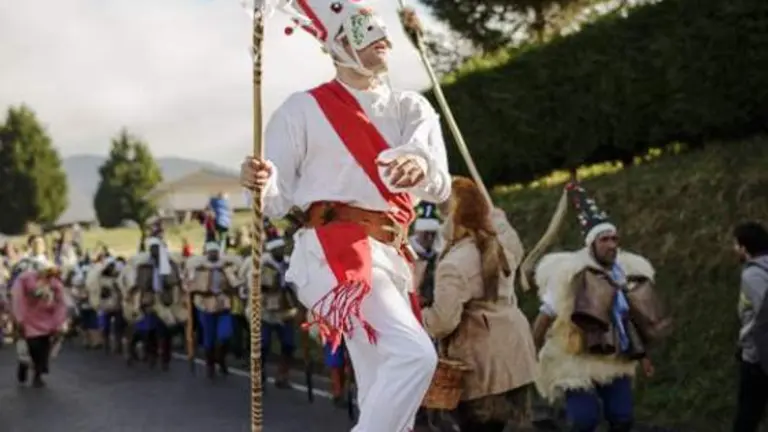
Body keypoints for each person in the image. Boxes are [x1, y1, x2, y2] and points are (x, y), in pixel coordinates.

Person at [239, 0, 451, 428]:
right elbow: (275, 199)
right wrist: (259, 181)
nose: (383, 39)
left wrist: (421, 165)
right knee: (414, 355)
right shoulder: (301, 109)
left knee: (381, 385)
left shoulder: (411, 107)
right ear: (336, 45)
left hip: (393, 255)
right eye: (364, 32)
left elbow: (440, 183)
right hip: (334, 252)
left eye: (381, 30)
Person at [531, 181, 668, 432]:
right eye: (605, 239)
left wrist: (644, 356)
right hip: (576, 357)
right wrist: (531, 352)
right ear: (592, 243)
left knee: (622, 418)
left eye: (615, 239)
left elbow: (632, 318)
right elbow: (546, 314)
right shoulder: (569, 274)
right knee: (584, 420)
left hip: (614, 357)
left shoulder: (625, 273)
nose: (612, 245)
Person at [422, 176, 537, 431]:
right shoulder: (503, 244)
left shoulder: (454, 264)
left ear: (452, 218)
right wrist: (495, 216)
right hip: (517, 355)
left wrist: (418, 316)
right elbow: (508, 233)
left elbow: (442, 322)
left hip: (481, 365)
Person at [119, 237, 184, 370]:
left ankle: (165, 359)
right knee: (149, 331)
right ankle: (151, 354)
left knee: (165, 332)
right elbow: (139, 283)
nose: (154, 252)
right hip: (149, 299)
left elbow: (174, 282)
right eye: (152, 249)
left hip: (165, 300)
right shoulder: (144, 266)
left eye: (156, 249)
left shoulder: (169, 264)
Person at [186, 242, 242, 378]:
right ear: (206, 253)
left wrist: (233, 288)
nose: (213, 254)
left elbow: (235, 284)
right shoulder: (199, 269)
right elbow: (190, 286)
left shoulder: (226, 268)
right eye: (210, 252)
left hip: (223, 304)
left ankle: (221, 358)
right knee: (209, 339)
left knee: (225, 335)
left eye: (215, 252)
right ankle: (210, 364)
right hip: (205, 306)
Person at [732, 221, 768, 431]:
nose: (734, 249)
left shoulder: (752, 275)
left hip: (757, 356)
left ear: (744, 248)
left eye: (736, 244)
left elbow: (764, 314)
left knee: (748, 414)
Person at [10, 263, 68, 387]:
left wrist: (59, 322)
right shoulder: (25, 279)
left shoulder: (55, 284)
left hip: (47, 320)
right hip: (29, 319)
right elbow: (18, 298)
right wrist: (19, 318)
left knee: (44, 349)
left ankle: (38, 375)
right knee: (33, 347)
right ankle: (24, 364)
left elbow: (60, 303)